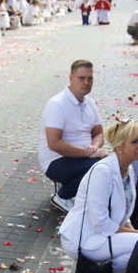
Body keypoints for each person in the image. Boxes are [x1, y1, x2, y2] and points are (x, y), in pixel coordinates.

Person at [58, 120, 138, 273]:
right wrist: (135, 234)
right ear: (120, 146)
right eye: (135, 141)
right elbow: (100, 222)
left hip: (101, 235)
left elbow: (124, 212)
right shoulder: (103, 171)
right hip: (82, 239)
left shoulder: (129, 169)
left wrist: (132, 230)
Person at [38, 59, 107, 211]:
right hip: (56, 161)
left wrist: (93, 148)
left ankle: (84, 195)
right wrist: (87, 153)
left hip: (81, 157)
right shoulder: (57, 104)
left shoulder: (90, 103)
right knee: (100, 166)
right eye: (81, 78)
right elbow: (54, 143)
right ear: (71, 78)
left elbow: (99, 133)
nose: (86, 82)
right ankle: (62, 196)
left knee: (109, 163)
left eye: (90, 78)